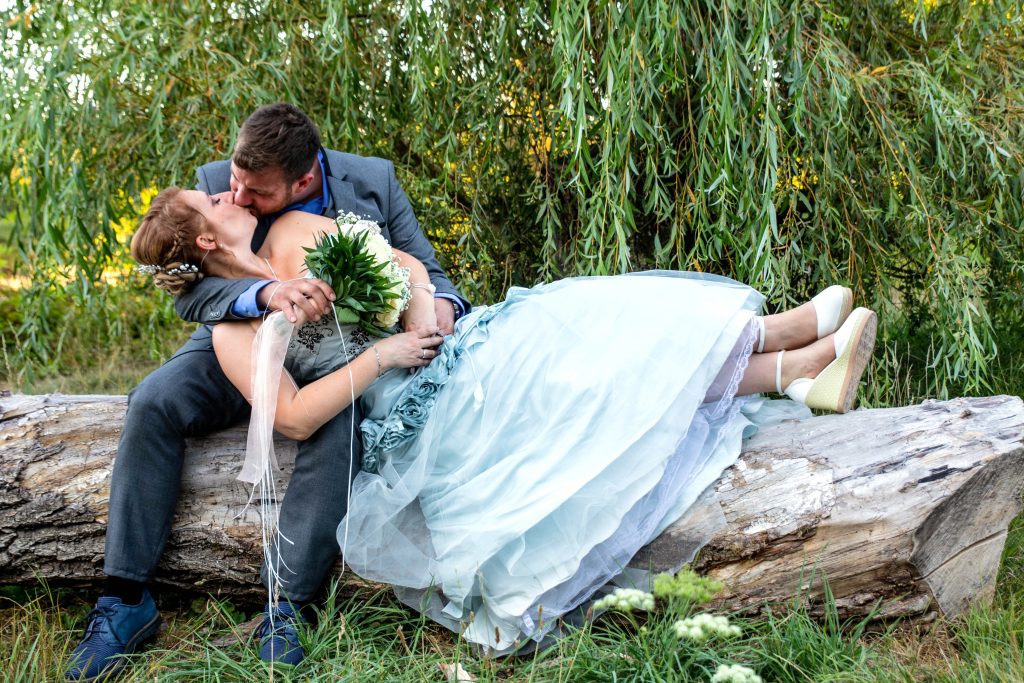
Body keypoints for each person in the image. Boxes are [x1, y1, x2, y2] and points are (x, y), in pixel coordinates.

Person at [124, 186, 877, 655]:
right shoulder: (231, 334)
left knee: (582, 325)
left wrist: (421, 319)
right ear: (205, 239)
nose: (225, 192)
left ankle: (786, 354)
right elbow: (291, 418)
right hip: (413, 413)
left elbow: (403, 267)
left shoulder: (291, 230)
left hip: (450, 349)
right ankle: (789, 355)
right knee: (582, 381)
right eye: (210, 201)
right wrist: (384, 357)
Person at [65, 104, 469, 681]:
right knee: (153, 401)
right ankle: (124, 597)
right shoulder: (217, 186)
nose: (236, 194)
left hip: (344, 345)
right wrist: (264, 296)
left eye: (255, 191)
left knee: (339, 414)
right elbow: (189, 291)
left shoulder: (372, 181)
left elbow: (421, 265)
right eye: (233, 183)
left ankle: (287, 604)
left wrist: (433, 310)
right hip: (243, 337)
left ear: (301, 181)